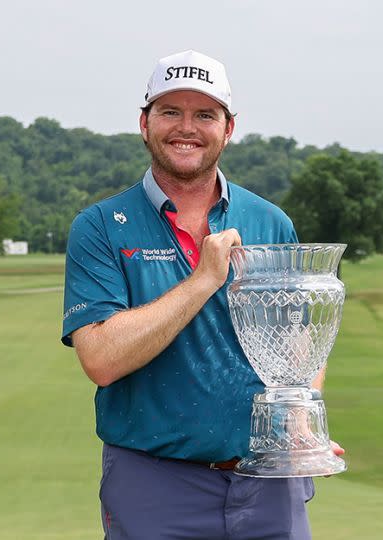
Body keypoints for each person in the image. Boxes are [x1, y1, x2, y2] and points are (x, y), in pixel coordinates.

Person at [61, 50, 340, 539]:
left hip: (269, 483)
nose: (186, 127)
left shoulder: (270, 221)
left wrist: (301, 410)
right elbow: (101, 359)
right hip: (154, 483)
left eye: (204, 114)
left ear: (228, 128)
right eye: (171, 111)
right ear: (145, 123)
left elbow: (299, 343)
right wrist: (203, 279)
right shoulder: (101, 226)